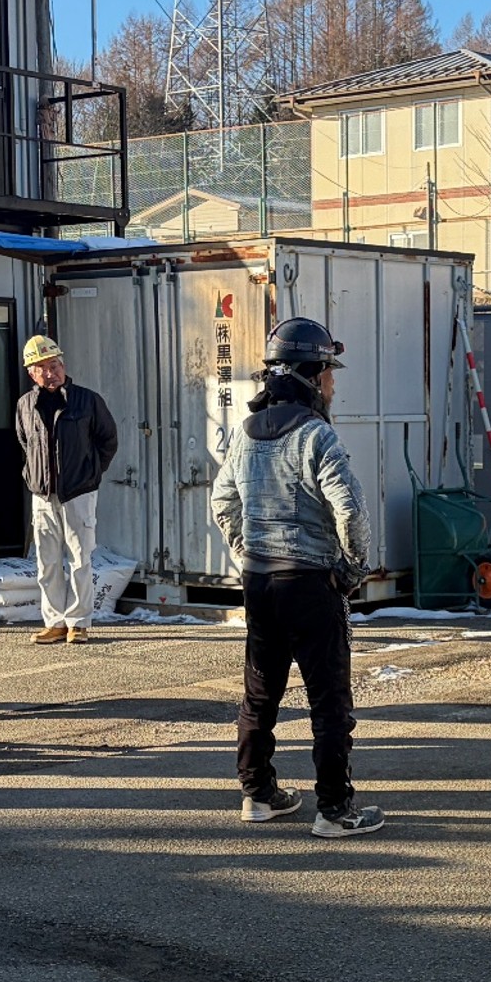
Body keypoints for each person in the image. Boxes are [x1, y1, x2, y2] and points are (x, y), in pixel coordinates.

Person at [212, 316, 384, 838]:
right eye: (330, 373)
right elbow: (351, 510)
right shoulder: (316, 435)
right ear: (312, 374)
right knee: (328, 701)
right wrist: (351, 569)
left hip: (260, 582)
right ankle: (334, 810)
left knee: (260, 694)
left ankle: (258, 794)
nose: (333, 384)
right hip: (311, 583)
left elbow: (222, 501)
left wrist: (246, 551)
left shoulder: (244, 435)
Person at [14, 333, 119, 645]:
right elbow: (24, 443)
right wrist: (33, 477)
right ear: (31, 373)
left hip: (79, 492)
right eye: (43, 368)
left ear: (63, 365)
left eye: (55, 365)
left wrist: (91, 473)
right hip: (43, 495)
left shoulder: (87, 400)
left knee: (80, 559)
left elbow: (108, 441)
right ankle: (55, 622)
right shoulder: (25, 404)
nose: (51, 373)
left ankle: (78, 622)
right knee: (46, 563)